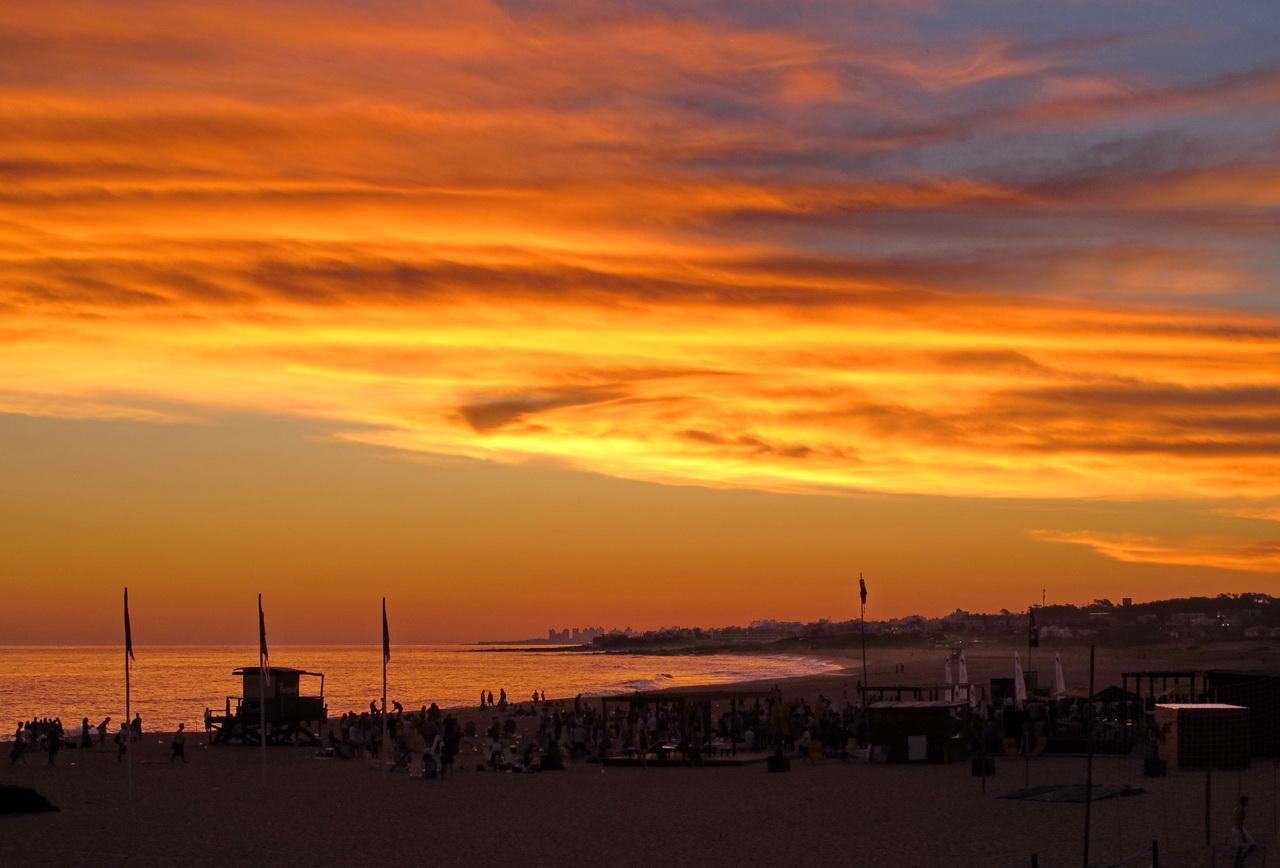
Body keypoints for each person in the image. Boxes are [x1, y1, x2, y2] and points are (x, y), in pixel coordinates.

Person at [1233, 796, 1256, 867]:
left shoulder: (1236, 808)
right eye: (1247, 802)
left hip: (1237, 828)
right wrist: (1243, 835)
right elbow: (1240, 822)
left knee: (1241, 847)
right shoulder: (1242, 810)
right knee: (1243, 846)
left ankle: (1239, 862)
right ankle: (1238, 863)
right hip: (1239, 829)